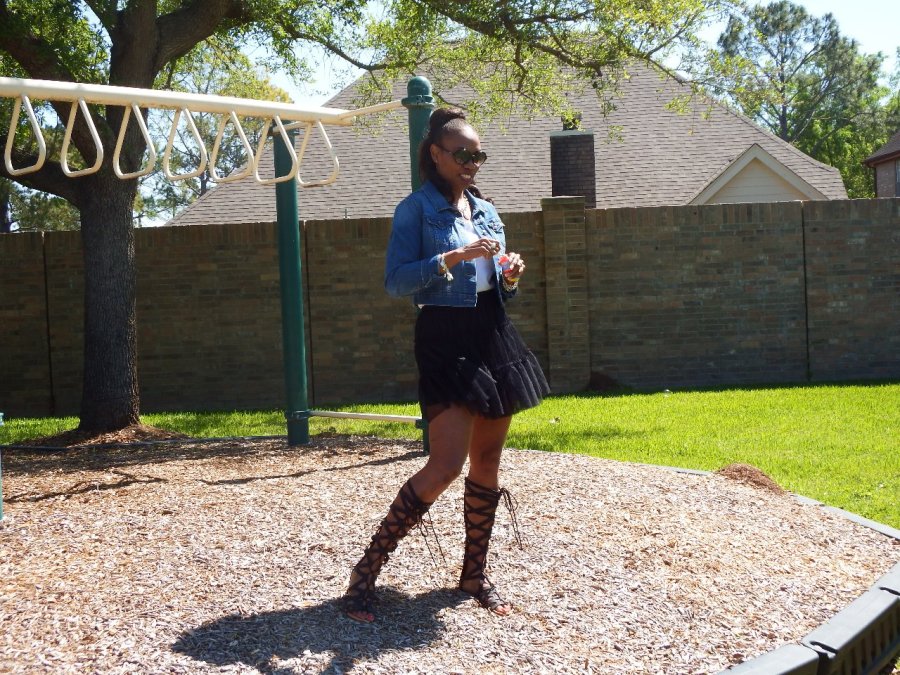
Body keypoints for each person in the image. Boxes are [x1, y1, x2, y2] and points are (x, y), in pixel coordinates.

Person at [344, 107, 549, 623]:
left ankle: (473, 575)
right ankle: (365, 573)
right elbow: (395, 281)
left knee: (488, 461)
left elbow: (500, 285)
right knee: (445, 464)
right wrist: (452, 259)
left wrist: (510, 274)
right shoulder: (415, 210)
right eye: (462, 154)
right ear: (435, 154)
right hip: (444, 337)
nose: (471, 163)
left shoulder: (486, 210)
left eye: (478, 155)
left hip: (492, 333)